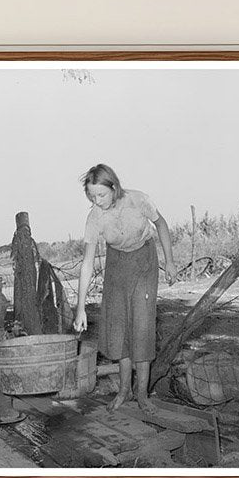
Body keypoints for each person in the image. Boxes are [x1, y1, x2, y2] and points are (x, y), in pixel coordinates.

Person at [73, 163, 177, 413]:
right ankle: (124, 390)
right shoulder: (95, 217)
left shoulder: (138, 200)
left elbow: (161, 225)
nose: (97, 201)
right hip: (117, 263)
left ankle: (142, 395)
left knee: (141, 326)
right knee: (119, 327)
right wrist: (80, 309)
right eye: (91, 196)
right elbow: (87, 263)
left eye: (101, 195)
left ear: (114, 187)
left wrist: (170, 262)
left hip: (143, 260)